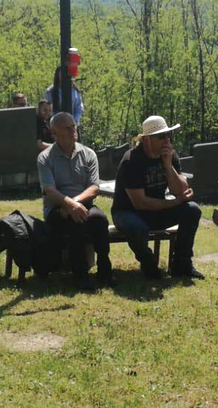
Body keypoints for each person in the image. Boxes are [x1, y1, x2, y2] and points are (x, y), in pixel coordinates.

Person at [111, 115, 202, 279]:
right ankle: (149, 264)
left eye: (169, 135)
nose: (166, 140)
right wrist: (175, 202)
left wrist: (168, 166)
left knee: (192, 210)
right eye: (161, 136)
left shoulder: (169, 155)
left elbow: (180, 190)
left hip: (155, 211)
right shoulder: (131, 160)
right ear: (146, 140)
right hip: (127, 212)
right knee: (137, 228)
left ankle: (182, 264)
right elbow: (140, 203)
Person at [37, 112, 112, 290]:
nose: (73, 130)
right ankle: (80, 276)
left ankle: (105, 271)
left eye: (74, 126)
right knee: (75, 222)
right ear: (54, 133)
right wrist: (68, 205)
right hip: (56, 209)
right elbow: (49, 190)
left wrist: (75, 203)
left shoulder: (88, 154)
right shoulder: (45, 158)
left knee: (99, 220)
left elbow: (94, 187)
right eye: (68, 128)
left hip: (83, 204)